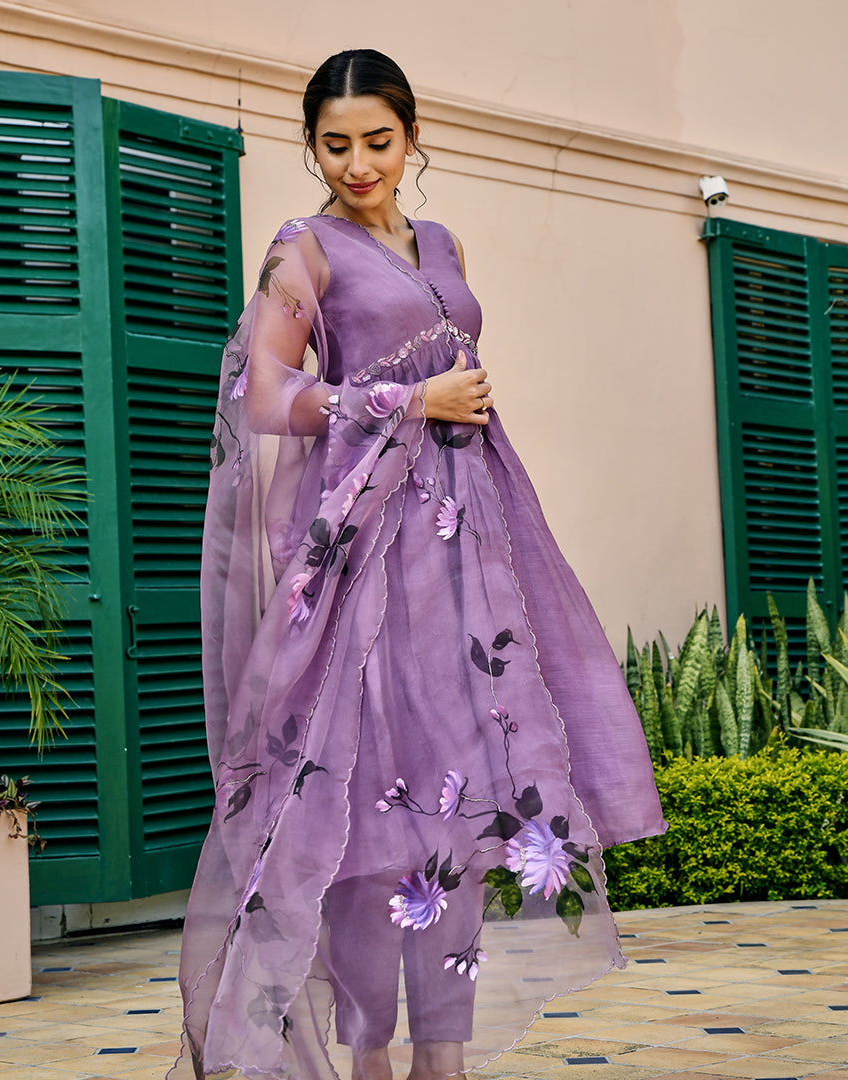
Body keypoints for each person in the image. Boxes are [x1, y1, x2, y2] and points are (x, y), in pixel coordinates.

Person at [170, 48, 665, 1080]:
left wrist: (454, 411)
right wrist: (405, 401)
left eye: (379, 141)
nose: (358, 164)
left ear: (412, 134)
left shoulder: (441, 240)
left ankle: (445, 1062)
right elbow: (260, 397)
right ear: (311, 144)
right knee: (361, 817)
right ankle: (369, 1063)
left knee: (461, 802)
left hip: (469, 545)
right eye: (335, 143)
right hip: (368, 555)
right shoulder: (302, 249)